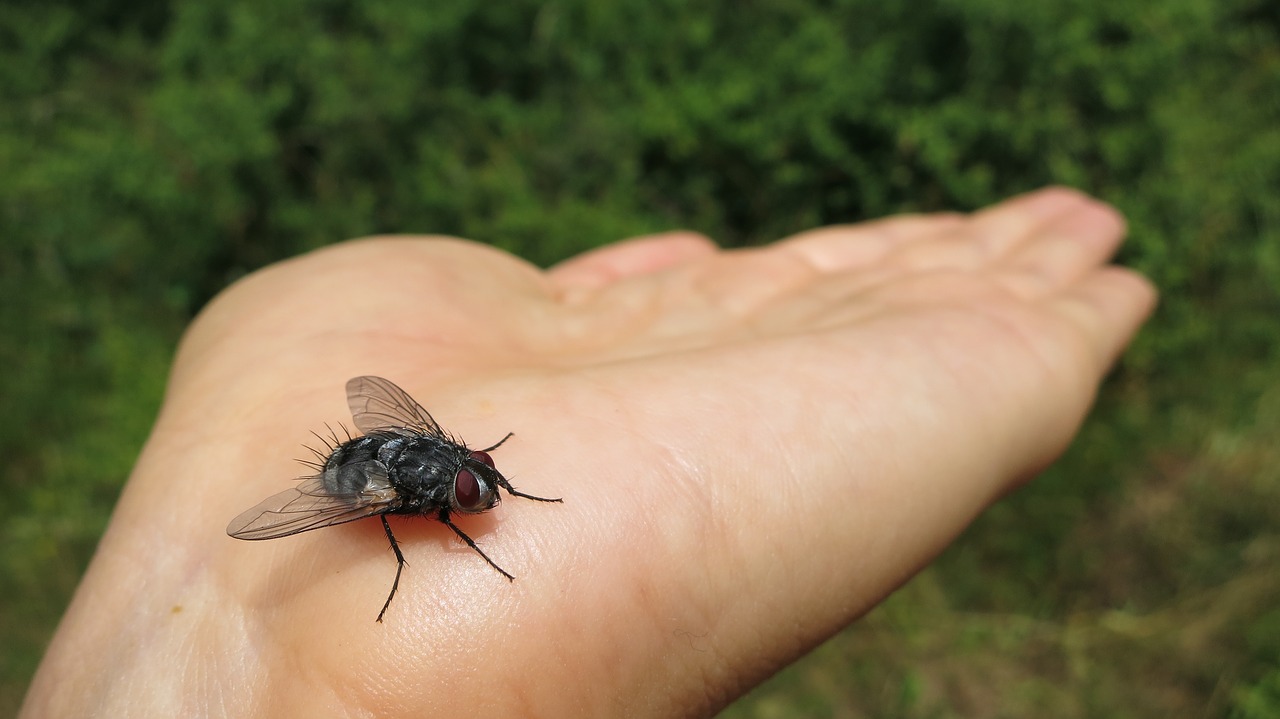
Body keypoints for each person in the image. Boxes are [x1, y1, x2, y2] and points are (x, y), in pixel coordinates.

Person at [21, 187, 1154, 717]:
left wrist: (489, 469)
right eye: (475, 490)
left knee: (410, 461)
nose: (481, 491)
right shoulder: (404, 498)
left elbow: (429, 437)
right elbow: (377, 479)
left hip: (384, 440)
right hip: (356, 466)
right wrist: (264, 668)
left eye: (480, 480)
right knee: (364, 505)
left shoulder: (460, 467)